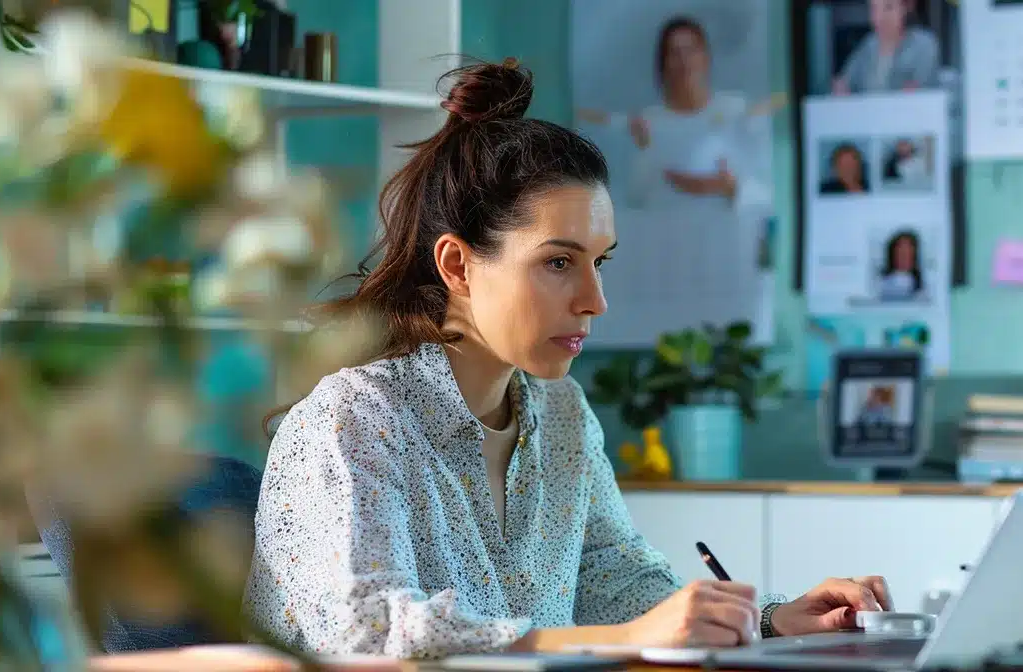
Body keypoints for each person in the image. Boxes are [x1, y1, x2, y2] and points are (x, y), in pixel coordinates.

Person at [244, 59, 893, 659]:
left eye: (598, 263)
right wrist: (622, 640)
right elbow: (368, 629)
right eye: (558, 263)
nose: (594, 301)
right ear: (457, 265)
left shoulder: (561, 413)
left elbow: (612, 576)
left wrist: (773, 619)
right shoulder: (352, 417)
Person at [575, 16, 778, 217]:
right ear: (663, 66)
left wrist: (729, 188)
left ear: (706, 58)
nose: (684, 61)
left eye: (691, 50)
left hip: (726, 238)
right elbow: (635, 200)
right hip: (667, 237)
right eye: (674, 53)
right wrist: (644, 151)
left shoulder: (737, 113)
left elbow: (769, 199)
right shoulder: (647, 123)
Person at [830, 0, 943, 96]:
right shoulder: (868, 44)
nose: (878, 17)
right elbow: (845, 83)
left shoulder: (923, 45)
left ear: (906, 7)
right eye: (874, 8)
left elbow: (918, 95)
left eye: (888, 7)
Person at [876, 230, 924, 301]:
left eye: (908, 252)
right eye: (901, 252)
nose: (905, 255)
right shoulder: (881, 282)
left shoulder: (921, 283)